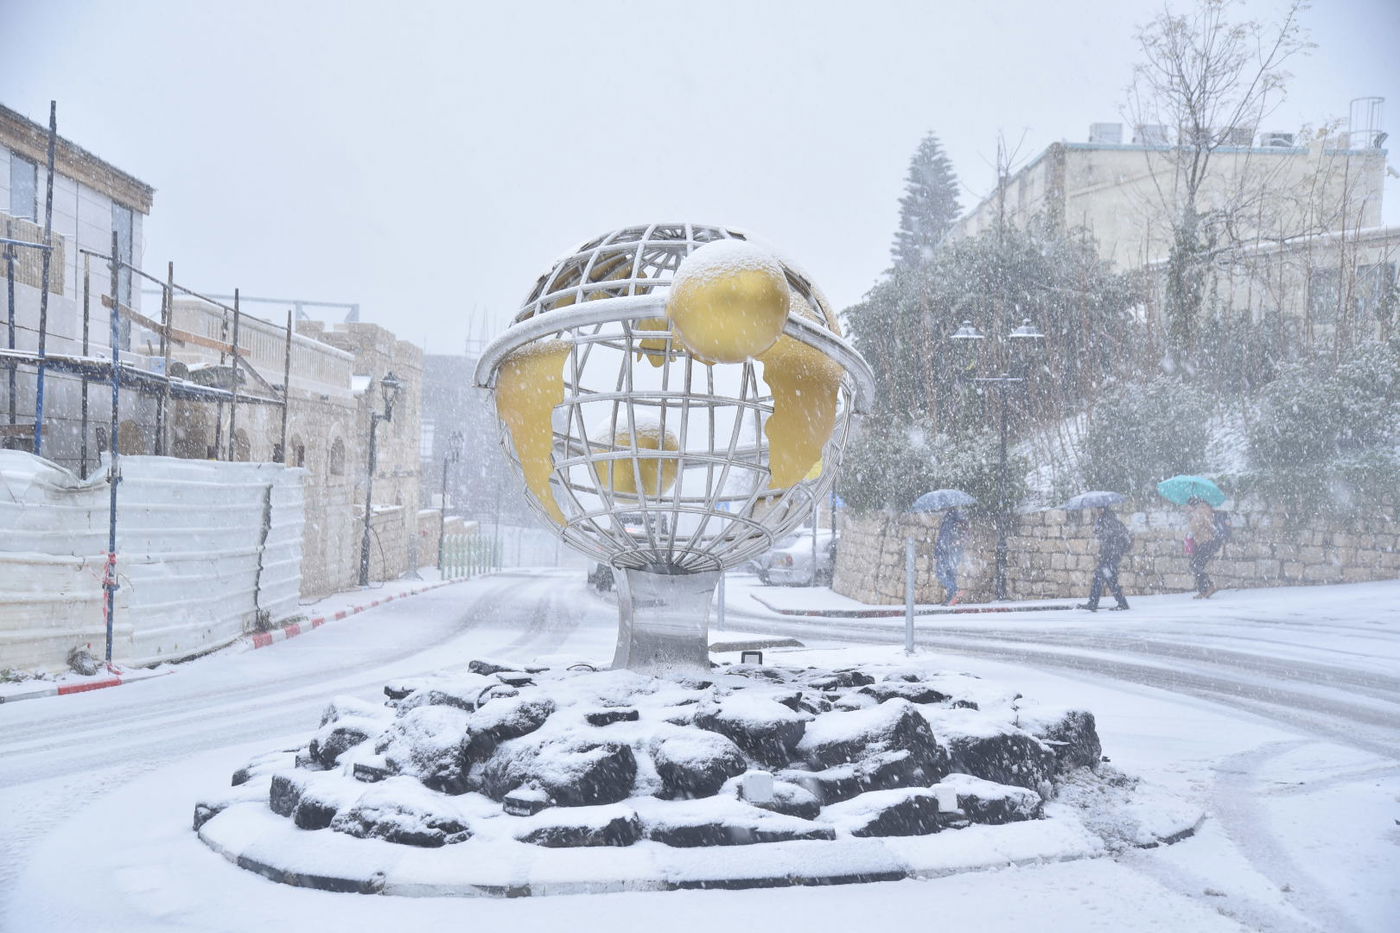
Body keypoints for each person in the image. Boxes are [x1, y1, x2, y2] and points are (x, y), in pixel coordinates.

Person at [1079, 506, 1132, 611]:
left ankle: (1095, 603)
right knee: (1107, 579)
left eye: (1099, 508)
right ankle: (1119, 603)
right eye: (1097, 508)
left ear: (1104, 509)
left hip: (1111, 556)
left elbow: (1111, 537)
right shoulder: (1103, 520)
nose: (1097, 511)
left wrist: (1101, 532)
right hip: (1109, 556)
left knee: (1103, 578)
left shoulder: (1109, 520)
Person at [1185, 496, 1222, 598]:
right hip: (1207, 543)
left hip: (1206, 543)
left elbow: (1193, 529)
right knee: (1196, 565)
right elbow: (1210, 527)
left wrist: (1188, 537)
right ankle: (1205, 589)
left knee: (1196, 565)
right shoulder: (1201, 513)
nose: (1185, 508)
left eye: (1187, 506)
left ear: (1192, 506)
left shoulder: (1198, 514)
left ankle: (1207, 588)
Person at [934, 507, 968, 605]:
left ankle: (955, 591)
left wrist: (939, 551)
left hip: (946, 552)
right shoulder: (956, 518)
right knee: (950, 574)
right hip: (952, 552)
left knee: (941, 574)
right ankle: (950, 598)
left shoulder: (949, 519)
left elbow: (944, 538)